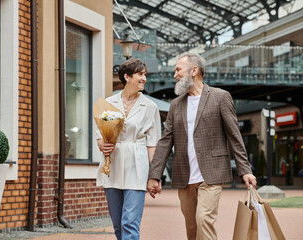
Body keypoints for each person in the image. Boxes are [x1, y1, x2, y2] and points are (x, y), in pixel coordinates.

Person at [147, 52, 256, 240]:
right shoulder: (175, 105)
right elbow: (166, 141)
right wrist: (154, 175)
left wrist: (245, 169)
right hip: (184, 175)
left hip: (211, 173)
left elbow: (234, 135)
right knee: (192, 226)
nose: (175, 75)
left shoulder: (220, 97)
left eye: (178, 70)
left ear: (194, 70)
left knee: (204, 219)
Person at [97, 58, 161, 240]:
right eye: (140, 74)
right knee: (118, 224)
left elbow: (152, 143)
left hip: (137, 165)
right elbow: (100, 135)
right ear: (127, 76)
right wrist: (101, 144)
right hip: (113, 167)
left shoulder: (150, 107)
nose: (144, 79)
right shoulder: (108, 104)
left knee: (129, 223)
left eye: (145, 75)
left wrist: (154, 176)